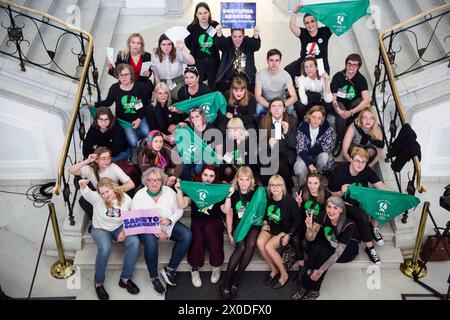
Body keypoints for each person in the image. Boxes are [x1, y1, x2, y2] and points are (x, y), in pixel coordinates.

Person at [131, 167, 192, 295]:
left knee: (187, 235)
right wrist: (156, 231)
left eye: (158, 180)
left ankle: (170, 269)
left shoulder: (169, 192)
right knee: (151, 244)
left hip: (167, 224)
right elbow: (136, 217)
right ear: (146, 181)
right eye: (151, 180)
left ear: (163, 181)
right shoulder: (139, 196)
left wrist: (170, 220)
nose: (154, 183)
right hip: (147, 228)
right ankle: (154, 277)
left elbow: (179, 209)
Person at [78, 177, 140, 300]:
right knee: (105, 248)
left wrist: (124, 231)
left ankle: (125, 279)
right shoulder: (97, 198)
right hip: (100, 228)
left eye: (107, 191)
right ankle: (98, 283)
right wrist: (83, 185)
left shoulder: (126, 199)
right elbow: (86, 193)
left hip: (118, 228)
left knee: (134, 242)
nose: (105, 195)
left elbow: (132, 217)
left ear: (113, 188)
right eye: (102, 193)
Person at [327, 147, 391, 265]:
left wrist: (397, 195)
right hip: (343, 203)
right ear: (350, 160)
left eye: (363, 162)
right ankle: (370, 247)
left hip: (360, 202)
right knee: (361, 215)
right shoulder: (339, 171)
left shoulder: (366, 170)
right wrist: (341, 192)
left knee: (382, 199)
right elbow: (330, 195)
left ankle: (374, 225)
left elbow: (381, 187)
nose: (359, 164)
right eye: (356, 160)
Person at [292, 196, 359, 300]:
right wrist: (309, 228)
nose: (331, 211)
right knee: (315, 248)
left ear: (341, 209)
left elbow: (337, 253)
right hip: (329, 242)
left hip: (346, 251)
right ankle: (304, 286)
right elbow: (310, 238)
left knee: (324, 254)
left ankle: (314, 290)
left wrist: (320, 270)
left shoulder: (348, 225)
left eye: (335, 208)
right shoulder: (323, 215)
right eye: (329, 207)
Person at [175, 165, 229, 287]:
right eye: (206, 175)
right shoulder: (194, 186)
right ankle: (194, 268)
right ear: (201, 175)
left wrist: (229, 196)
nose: (208, 178)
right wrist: (179, 190)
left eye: (211, 176)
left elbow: (225, 210)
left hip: (214, 220)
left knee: (210, 230)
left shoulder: (218, 188)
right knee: (198, 235)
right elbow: (182, 205)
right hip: (198, 220)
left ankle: (216, 266)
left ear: (215, 177)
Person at [219, 166, 261, 299]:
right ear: (237, 180)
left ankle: (237, 279)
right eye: (241, 179)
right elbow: (228, 213)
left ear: (251, 181)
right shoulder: (233, 193)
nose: (244, 183)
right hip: (238, 224)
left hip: (252, 223)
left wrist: (263, 222)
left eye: (246, 179)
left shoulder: (255, 193)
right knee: (241, 246)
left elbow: (260, 210)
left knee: (251, 243)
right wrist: (230, 233)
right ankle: (226, 283)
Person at [93, 64, 150, 160]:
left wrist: (139, 120)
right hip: (124, 121)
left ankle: (149, 148)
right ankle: (142, 154)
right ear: (118, 76)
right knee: (133, 142)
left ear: (131, 74)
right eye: (121, 75)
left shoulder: (139, 87)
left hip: (139, 116)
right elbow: (108, 102)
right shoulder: (114, 88)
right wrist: (94, 104)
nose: (124, 77)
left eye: (126, 74)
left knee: (147, 132)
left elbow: (144, 105)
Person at [256, 175, 300, 289]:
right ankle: (274, 269)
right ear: (269, 187)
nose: (275, 188)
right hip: (271, 227)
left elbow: (297, 220)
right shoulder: (269, 198)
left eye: (278, 185)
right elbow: (265, 214)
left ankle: (284, 274)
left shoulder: (289, 201)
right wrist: (265, 222)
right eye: (272, 185)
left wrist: (289, 235)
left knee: (269, 247)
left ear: (283, 187)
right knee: (260, 243)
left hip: (284, 230)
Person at [69, 147, 135, 221]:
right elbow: (71, 171)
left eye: (109, 158)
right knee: (83, 201)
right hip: (100, 197)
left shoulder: (113, 167)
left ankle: (117, 219)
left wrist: (112, 191)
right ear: (96, 160)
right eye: (103, 159)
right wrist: (87, 161)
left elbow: (131, 184)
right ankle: (96, 219)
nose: (107, 161)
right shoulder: (89, 169)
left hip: (113, 195)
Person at [292, 171, 331, 280]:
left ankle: (311, 263)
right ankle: (301, 266)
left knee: (305, 242)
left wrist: (314, 226)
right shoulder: (303, 191)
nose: (312, 186)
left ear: (320, 183)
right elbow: (299, 213)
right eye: (309, 183)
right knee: (295, 239)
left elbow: (328, 216)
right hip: (304, 222)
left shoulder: (326, 195)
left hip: (317, 226)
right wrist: (299, 204)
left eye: (315, 183)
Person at [330, 53, 370, 156]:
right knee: (341, 114)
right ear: (346, 64)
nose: (351, 67)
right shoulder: (338, 76)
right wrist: (339, 111)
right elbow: (333, 98)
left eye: (355, 65)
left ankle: (349, 128)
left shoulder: (361, 79)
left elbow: (366, 99)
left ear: (358, 67)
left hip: (352, 105)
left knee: (361, 102)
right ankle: (340, 141)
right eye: (349, 64)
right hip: (339, 103)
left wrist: (351, 112)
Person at [285, 2, 333, 83]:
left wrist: (330, 9)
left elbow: (335, 24)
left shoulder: (324, 31)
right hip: (304, 62)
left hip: (320, 64)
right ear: (304, 24)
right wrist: (294, 12)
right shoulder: (303, 33)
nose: (310, 24)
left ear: (316, 22)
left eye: (312, 21)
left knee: (322, 84)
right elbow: (292, 26)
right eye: (307, 23)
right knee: (287, 71)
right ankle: (293, 90)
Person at [258, 98, 298, 194]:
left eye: (280, 106)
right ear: (269, 109)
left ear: (284, 109)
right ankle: (269, 190)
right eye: (273, 106)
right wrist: (269, 143)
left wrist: (287, 131)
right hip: (269, 151)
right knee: (264, 163)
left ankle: (288, 189)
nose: (276, 109)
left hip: (286, 152)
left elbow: (293, 144)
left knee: (280, 164)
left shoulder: (292, 120)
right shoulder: (263, 122)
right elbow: (261, 144)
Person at [294, 105, 334, 187]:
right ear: (309, 116)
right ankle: (303, 187)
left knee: (325, 156)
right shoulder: (303, 127)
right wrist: (309, 164)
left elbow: (326, 146)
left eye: (319, 118)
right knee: (300, 166)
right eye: (314, 117)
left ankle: (317, 179)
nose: (316, 120)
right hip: (305, 155)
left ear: (322, 118)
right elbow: (301, 149)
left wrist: (308, 150)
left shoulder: (326, 127)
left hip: (317, 155)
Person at [177, 107, 222, 180]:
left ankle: (197, 179)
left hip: (205, 156)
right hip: (193, 153)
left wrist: (218, 155)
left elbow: (218, 146)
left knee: (199, 166)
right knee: (184, 167)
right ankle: (189, 185)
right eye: (192, 117)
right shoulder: (189, 128)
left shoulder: (211, 130)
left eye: (197, 116)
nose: (195, 119)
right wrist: (179, 126)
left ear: (202, 116)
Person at [185, 2, 220, 90]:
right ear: (196, 14)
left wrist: (219, 33)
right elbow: (188, 43)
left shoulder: (215, 25)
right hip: (198, 62)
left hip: (213, 61)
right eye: (200, 13)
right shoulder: (191, 28)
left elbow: (219, 43)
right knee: (198, 86)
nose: (203, 16)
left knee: (213, 85)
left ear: (209, 13)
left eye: (205, 12)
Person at [215, 25, 261, 93]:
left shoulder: (247, 42)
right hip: (228, 79)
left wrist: (256, 34)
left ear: (243, 35)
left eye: (240, 36)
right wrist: (219, 33)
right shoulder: (227, 42)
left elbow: (256, 46)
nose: (237, 39)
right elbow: (219, 44)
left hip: (246, 79)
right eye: (234, 36)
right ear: (231, 35)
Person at [151, 34, 195, 101]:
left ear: (172, 44)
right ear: (159, 45)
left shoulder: (177, 52)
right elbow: (156, 76)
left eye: (169, 44)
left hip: (178, 82)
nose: (166, 47)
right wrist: (159, 88)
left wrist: (182, 49)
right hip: (162, 82)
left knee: (181, 97)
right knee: (161, 100)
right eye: (163, 44)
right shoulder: (155, 55)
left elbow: (192, 62)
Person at [255, 49, 298, 118]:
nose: (274, 63)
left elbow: (294, 97)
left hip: (280, 101)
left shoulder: (286, 75)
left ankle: (282, 123)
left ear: (280, 61)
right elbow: (258, 96)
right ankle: (263, 125)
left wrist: (280, 105)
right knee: (258, 108)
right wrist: (271, 106)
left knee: (290, 107)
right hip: (266, 101)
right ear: (267, 61)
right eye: (271, 60)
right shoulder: (260, 74)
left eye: (277, 60)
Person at [295, 56, 332, 121]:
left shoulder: (323, 77)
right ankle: (302, 122)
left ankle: (322, 121)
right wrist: (313, 109)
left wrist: (326, 81)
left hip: (320, 101)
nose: (308, 69)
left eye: (311, 66)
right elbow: (304, 101)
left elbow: (328, 99)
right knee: (299, 105)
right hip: (309, 101)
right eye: (306, 67)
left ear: (317, 67)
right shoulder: (301, 79)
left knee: (328, 104)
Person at [221, 117, 255, 182]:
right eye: (230, 131)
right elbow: (224, 161)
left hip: (246, 173)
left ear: (241, 129)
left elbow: (250, 166)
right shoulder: (229, 140)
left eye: (235, 130)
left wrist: (236, 179)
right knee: (227, 170)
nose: (232, 133)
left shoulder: (249, 142)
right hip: (234, 169)